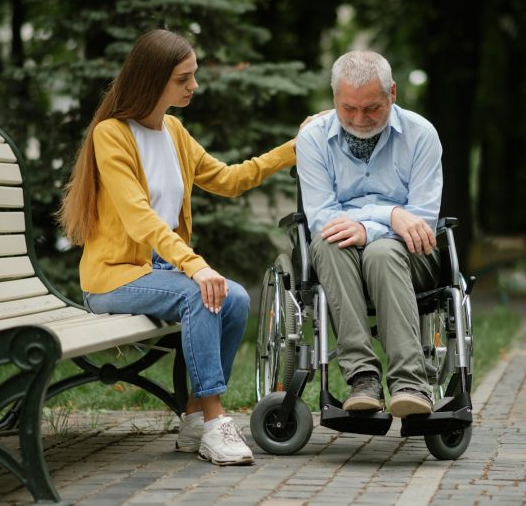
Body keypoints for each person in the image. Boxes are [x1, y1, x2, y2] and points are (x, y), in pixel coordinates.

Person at [58, 29, 297, 466]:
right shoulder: (111, 134)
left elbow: (227, 179)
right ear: (153, 80)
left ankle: (191, 417)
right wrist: (195, 265)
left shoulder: (174, 130)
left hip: (158, 271)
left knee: (236, 297)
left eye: (194, 76)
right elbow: (138, 217)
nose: (194, 87)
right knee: (200, 293)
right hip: (113, 276)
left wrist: (291, 150)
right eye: (184, 79)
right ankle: (214, 421)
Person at [296, 50, 443, 418]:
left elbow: (421, 220)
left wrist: (372, 225)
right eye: (348, 109)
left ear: (392, 93)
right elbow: (322, 217)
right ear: (334, 99)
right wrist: (392, 215)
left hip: (411, 256)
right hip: (340, 254)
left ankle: (409, 383)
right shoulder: (313, 139)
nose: (360, 119)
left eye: (372, 108)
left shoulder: (421, 135)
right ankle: (363, 378)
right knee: (327, 243)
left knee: (382, 252)